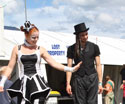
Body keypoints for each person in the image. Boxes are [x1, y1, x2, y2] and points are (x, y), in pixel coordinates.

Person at [0, 21, 82, 104]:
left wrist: (71, 69)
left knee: (38, 101)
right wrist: (2, 82)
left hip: (37, 83)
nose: (36, 40)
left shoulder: (40, 49)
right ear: (26, 35)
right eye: (33, 37)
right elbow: (10, 67)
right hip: (23, 84)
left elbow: (54, 63)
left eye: (37, 37)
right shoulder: (17, 49)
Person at [66, 22, 103, 104]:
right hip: (79, 79)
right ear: (78, 36)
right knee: (80, 102)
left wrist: (100, 83)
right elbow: (69, 67)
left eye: (86, 34)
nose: (85, 37)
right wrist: (68, 84)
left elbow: (98, 65)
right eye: (82, 35)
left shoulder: (94, 47)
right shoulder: (71, 49)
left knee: (92, 102)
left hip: (92, 78)